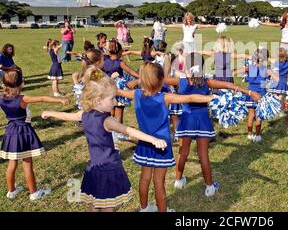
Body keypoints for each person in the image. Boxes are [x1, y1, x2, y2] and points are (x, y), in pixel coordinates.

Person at [41, 67, 167, 212]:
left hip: (94, 167)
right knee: (108, 206)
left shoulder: (84, 114)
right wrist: (153, 139)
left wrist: (50, 112)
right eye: (112, 98)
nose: (115, 102)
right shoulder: (107, 121)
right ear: (98, 100)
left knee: (94, 203)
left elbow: (66, 117)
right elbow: (129, 130)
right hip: (109, 169)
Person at [117, 62, 214, 212]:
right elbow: (189, 98)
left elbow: (120, 92)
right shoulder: (165, 97)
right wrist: (210, 98)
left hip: (144, 144)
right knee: (158, 182)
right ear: (161, 80)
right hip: (160, 146)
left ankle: (144, 209)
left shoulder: (136, 95)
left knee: (144, 178)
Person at [164, 52, 260, 197]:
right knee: (203, 155)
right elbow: (228, 85)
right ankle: (209, 187)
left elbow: (160, 80)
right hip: (202, 121)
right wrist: (249, 91)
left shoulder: (180, 81)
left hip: (186, 120)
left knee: (183, 152)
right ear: (202, 66)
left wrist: (165, 63)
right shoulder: (206, 81)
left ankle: (178, 180)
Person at [0, 70, 68, 201]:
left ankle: (11, 191)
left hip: (10, 132)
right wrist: (60, 100)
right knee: (27, 163)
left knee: (11, 164)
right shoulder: (22, 99)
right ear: (21, 84)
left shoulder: (2, 98)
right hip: (23, 132)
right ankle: (34, 193)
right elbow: (42, 98)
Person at [235, 48, 279, 142]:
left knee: (251, 115)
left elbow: (236, 72)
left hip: (250, 93)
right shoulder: (267, 69)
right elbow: (277, 79)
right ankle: (258, 135)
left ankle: (249, 134)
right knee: (259, 116)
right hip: (261, 95)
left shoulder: (250, 68)